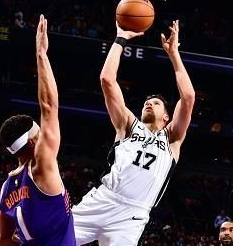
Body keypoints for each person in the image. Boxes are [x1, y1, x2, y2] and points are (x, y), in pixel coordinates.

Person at [72, 20, 195, 245]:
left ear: (167, 116)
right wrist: (120, 38)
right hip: (103, 199)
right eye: (147, 102)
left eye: (156, 103)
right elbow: (107, 80)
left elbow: (188, 97)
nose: (149, 104)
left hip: (133, 216)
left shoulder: (172, 138)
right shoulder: (128, 125)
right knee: (49, 239)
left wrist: (174, 54)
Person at [0, 15, 75, 246]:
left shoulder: (6, 187)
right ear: (32, 143)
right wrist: (42, 55)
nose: (43, 135)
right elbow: (49, 107)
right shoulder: (42, 167)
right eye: (38, 133)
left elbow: (3, 240)